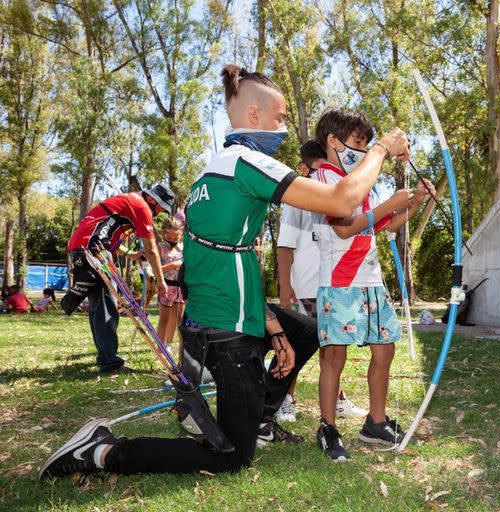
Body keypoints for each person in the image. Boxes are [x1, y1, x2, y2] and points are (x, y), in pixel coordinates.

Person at [39, 65, 410, 479]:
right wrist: (381, 151)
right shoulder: (247, 163)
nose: (284, 129)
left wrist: (273, 324)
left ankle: (261, 416)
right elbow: (343, 200)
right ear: (255, 117)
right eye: (281, 118)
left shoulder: (213, 168)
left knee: (305, 331)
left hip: (227, 310)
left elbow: (229, 254)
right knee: (233, 457)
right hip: (226, 325)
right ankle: (104, 452)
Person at [311, 107, 432, 462]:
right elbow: (344, 226)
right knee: (335, 356)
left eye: (366, 143)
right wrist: (388, 205)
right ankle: (328, 429)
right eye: (357, 142)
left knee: (385, 350)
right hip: (340, 283)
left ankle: (375, 423)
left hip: (371, 282)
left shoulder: (362, 181)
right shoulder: (324, 179)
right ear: (332, 141)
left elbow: (385, 225)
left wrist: (414, 202)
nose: (362, 150)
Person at [275, 140, 366, 423]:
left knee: (335, 347)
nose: (322, 176)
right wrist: (285, 288)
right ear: (305, 168)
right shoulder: (298, 197)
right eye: (317, 169)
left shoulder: (339, 193)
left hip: (333, 284)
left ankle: (337, 399)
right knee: (298, 346)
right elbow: (284, 246)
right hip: (305, 286)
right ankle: (284, 399)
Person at [60, 184, 175, 374]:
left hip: (88, 246)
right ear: (153, 200)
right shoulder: (142, 207)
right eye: (161, 208)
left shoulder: (131, 202)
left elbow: (109, 235)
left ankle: (106, 358)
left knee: (100, 306)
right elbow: (151, 248)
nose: (160, 213)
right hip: (93, 250)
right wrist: (161, 280)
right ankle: (109, 363)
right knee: (106, 305)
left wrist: (132, 255)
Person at [155, 218, 186, 354]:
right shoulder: (160, 248)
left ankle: (177, 349)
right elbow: (155, 270)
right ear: (164, 233)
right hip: (166, 287)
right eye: (169, 236)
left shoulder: (183, 247)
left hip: (181, 287)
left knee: (179, 320)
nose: (172, 239)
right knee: (164, 319)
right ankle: (160, 351)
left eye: (176, 237)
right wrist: (173, 265)